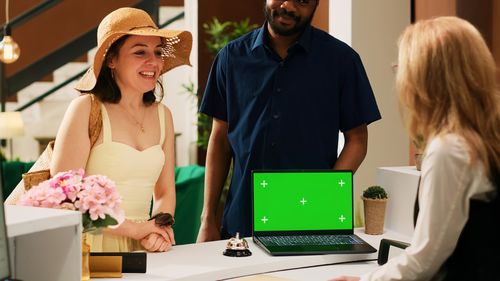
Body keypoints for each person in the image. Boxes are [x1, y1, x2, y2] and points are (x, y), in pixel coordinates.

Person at [332, 16, 500, 281]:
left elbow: (427, 257)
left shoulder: (450, 149)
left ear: (425, 77)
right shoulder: (486, 140)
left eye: (403, 67)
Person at [197, 0, 381, 241]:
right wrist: (208, 219)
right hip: (243, 222)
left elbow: (357, 140)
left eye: (302, 1)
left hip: (313, 221)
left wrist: (324, 196)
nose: (289, 6)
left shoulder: (342, 60)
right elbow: (220, 140)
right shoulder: (231, 58)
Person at [50, 7, 192, 252]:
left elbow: (165, 192)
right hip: (89, 246)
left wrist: (157, 230)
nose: (154, 62)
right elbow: (64, 194)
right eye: (140, 52)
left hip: (143, 248)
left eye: (158, 52)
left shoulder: (163, 115)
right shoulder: (86, 109)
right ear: (111, 60)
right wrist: (134, 229)